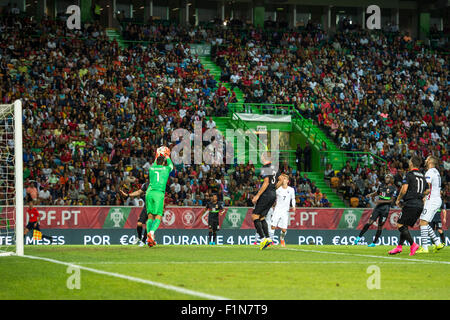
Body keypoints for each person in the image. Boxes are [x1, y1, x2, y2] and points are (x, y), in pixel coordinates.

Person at [389, 156, 425, 256]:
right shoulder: (422, 175)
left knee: (400, 224)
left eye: (409, 161)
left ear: (412, 163)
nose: (408, 163)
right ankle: (399, 247)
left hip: (411, 203)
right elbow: (426, 190)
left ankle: (413, 245)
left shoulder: (409, 174)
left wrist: (398, 199)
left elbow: (404, 189)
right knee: (404, 225)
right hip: (419, 204)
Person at [354, 174, 397, 247]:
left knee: (380, 226)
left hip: (385, 209)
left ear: (391, 179)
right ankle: (358, 238)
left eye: (388, 177)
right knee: (369, 222)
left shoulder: (394, 188)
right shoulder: (381, 186)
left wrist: (381, 201)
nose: (386, 178)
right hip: (378, 207)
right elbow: (376, 193)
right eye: (386, 177)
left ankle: (374, 243)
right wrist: (370, 195)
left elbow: (392, 200)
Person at [251, 152, 282, 250]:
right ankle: (268, 238)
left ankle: (262, 238)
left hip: (266, 194)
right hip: (272, 195)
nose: (260, 157)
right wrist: (274, 188)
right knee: (261, 217)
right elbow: (281, 179)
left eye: (261, 156)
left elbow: (266, 182)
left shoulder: (265, 167)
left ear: (264, 157)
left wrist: (257, 195)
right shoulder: (275, 168)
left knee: (254, 216)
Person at [145, 147, 174, 247]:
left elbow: (155, 163)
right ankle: (151, 233)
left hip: (149, 193)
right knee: (158, 216)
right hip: (158, 193)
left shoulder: (151, 168)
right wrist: (167, 156)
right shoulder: (166, 169)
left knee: (150, 216)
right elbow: (171, 165)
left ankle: (149, 239)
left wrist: (158, 154)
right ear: (163, 163)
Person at [416, 156, 444, 253]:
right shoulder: (436, 172)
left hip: (432, 200)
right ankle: (437, 243)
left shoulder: (429, 172)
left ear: (430, 162)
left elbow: (427, 189)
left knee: (423, 221)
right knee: (425, 222)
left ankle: (425, 247)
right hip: (435, 199)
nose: (425, 160)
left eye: (426, 159)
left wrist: (418, 194)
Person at [269, 174, 295, 247]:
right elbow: (272, 196)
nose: (284, 180)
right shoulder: (278, 189)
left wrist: (293, 206)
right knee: (273, 226)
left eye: (285, 179)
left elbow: (293, 198)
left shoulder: (291, 190)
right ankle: (270, 241)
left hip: (285, 211)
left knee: (284, 229)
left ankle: (282, 238)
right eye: (283, 179)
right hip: (277, 210)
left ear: (288, 181)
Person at [121, 180, 150, 246]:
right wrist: (128, 195)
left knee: (148, 224)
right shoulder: (146, 184)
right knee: (139, 224)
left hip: (153, 208)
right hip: (146, 207)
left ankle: (144, 240)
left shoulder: (157, 185)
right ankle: (139, 237)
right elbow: (139, 192)